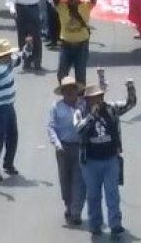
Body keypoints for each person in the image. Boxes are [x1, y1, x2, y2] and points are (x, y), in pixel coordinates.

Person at [76, 76, 137, 237]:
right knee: (93, 195)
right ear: (87, 99)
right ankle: (95, 225)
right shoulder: (80, 112)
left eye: (99, 97)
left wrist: (130, 87)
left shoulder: (112, 109)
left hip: (110, 159)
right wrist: (92, 116)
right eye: (93, 98)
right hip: (90, 162)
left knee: (112, 194)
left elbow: (130, 103)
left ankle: (115, 224)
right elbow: (79, 129)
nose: (97, 100)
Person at [0, 38, 28, 181]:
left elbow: (20, 58)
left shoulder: (7, 63)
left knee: (13, 135)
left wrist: (27, 46)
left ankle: (8, 164)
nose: (10, 56)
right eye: (8, 54)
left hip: (9, 106)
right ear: (2, 55)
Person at [47, 76, 87, 226]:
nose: (70, 92)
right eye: (66, 90)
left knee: (79, 180)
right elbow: (51, 127)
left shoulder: (83, 105)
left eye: (72, 89)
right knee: (65, 180)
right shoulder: (56, 107)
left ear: (77, 91)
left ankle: (76, 211)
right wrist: (57, 144)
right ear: (63, 92)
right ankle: (69, 206)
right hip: (63, 148)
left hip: (80, 147)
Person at [57, 0, 111, 85]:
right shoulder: (61, 6)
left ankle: (81, 95)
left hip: (81, 46)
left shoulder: (86, 6)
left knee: (80, 75)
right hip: (66, 45)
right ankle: (66, 94)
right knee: (61, 74)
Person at [6, 0, 51, 70]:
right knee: (22, 36)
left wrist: (52, 2)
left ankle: (37, 62)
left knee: (36, 36)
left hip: (33, 8)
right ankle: (26, 61)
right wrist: (12, 9)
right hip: (20, 8)